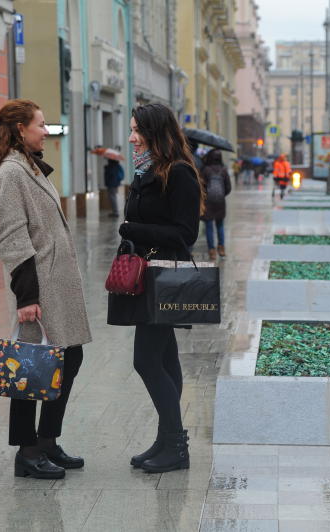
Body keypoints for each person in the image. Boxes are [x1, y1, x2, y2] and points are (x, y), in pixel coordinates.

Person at [0, 99, 92, 480]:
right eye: (41, 125)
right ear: (19, 130)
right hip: (39, 287)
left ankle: (47, 441)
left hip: (55, 283)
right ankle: (27, 453)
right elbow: (10, 237)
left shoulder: (30, 168)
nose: (46, 131)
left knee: (68, 359)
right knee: (30, 370)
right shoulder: (11, 174)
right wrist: (27, 297)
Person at [117, 103, 203, 473]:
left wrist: (133, 231)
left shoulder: (179, 173)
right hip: (146, 275)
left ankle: (176, 446)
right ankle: (166, 440)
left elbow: (186, 234)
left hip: (163, 276)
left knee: (146, 360)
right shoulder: (147, 170)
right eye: (132, 129)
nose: (132, 137)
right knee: (166, 359)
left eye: (138, 130)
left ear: (157, 133)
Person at [201, 149, 232, 260]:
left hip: (208, 202)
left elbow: (202, 186)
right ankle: (221, 248)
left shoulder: (206, 170)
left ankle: (212, 251)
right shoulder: (224, 170)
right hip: (220, 202)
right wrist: (222, 195)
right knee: (220, 225)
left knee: (209, 226)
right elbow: (228, 187)